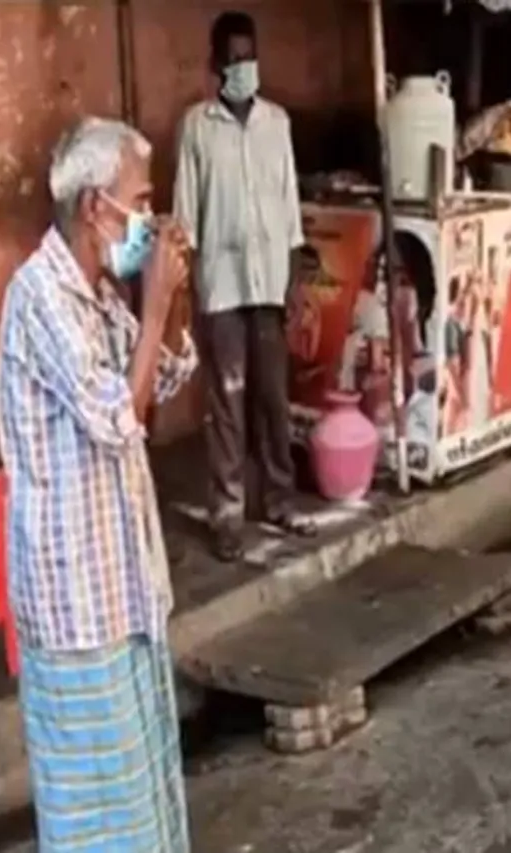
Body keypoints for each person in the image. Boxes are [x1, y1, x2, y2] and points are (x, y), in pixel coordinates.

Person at [0, 117, 197, 852]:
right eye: (139, 201)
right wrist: (151, 309)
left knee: (141, 801)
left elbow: (164, 376)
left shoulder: (98, 291)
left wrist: (167, 301)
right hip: (78, 604)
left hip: (124, 588)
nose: (148, 217)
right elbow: (117, 417)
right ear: (93, 208)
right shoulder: (41, 297)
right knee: (95, 820)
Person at [175, 10, 315, 562]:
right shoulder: (196, 127)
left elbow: (289, 204)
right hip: (221, 285)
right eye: (234, 58)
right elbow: (186, 215)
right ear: (216, 65)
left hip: (269, 282)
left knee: (272, 398)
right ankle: (228, 512)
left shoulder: (276, 123)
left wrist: (296, 279)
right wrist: (186, 293)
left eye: (249, 56)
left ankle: (278, 497)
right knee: (227, 400)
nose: (244, 67)